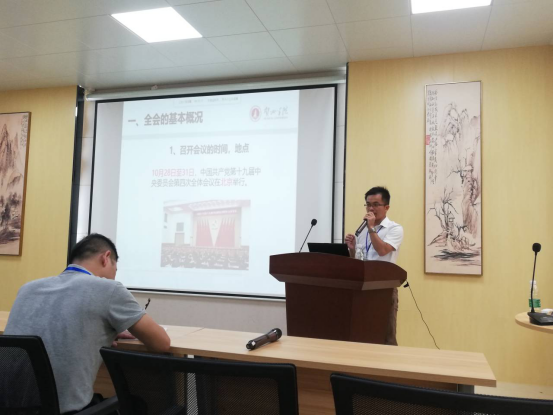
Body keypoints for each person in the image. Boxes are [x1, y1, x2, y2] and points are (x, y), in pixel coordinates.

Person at [4, 233, 170, 414]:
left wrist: (101, 331)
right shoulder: (109, 289)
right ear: (106, 258)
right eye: (115, 269)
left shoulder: (28, 289)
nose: (114, 276)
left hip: (10, 407)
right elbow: (161, 343)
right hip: (65, 410)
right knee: (137, 403)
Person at [345, 187, 404, 346]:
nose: (371, 209)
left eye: (376, 204)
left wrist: (371, 228)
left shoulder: (394, 229)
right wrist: (352, 248)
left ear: (386, 207)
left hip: (384, 287)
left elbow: (382, 250)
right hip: (362, 286)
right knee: (362, 332)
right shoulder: (362, 231)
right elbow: (358, 260)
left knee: (386, 334)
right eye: (368, 204)